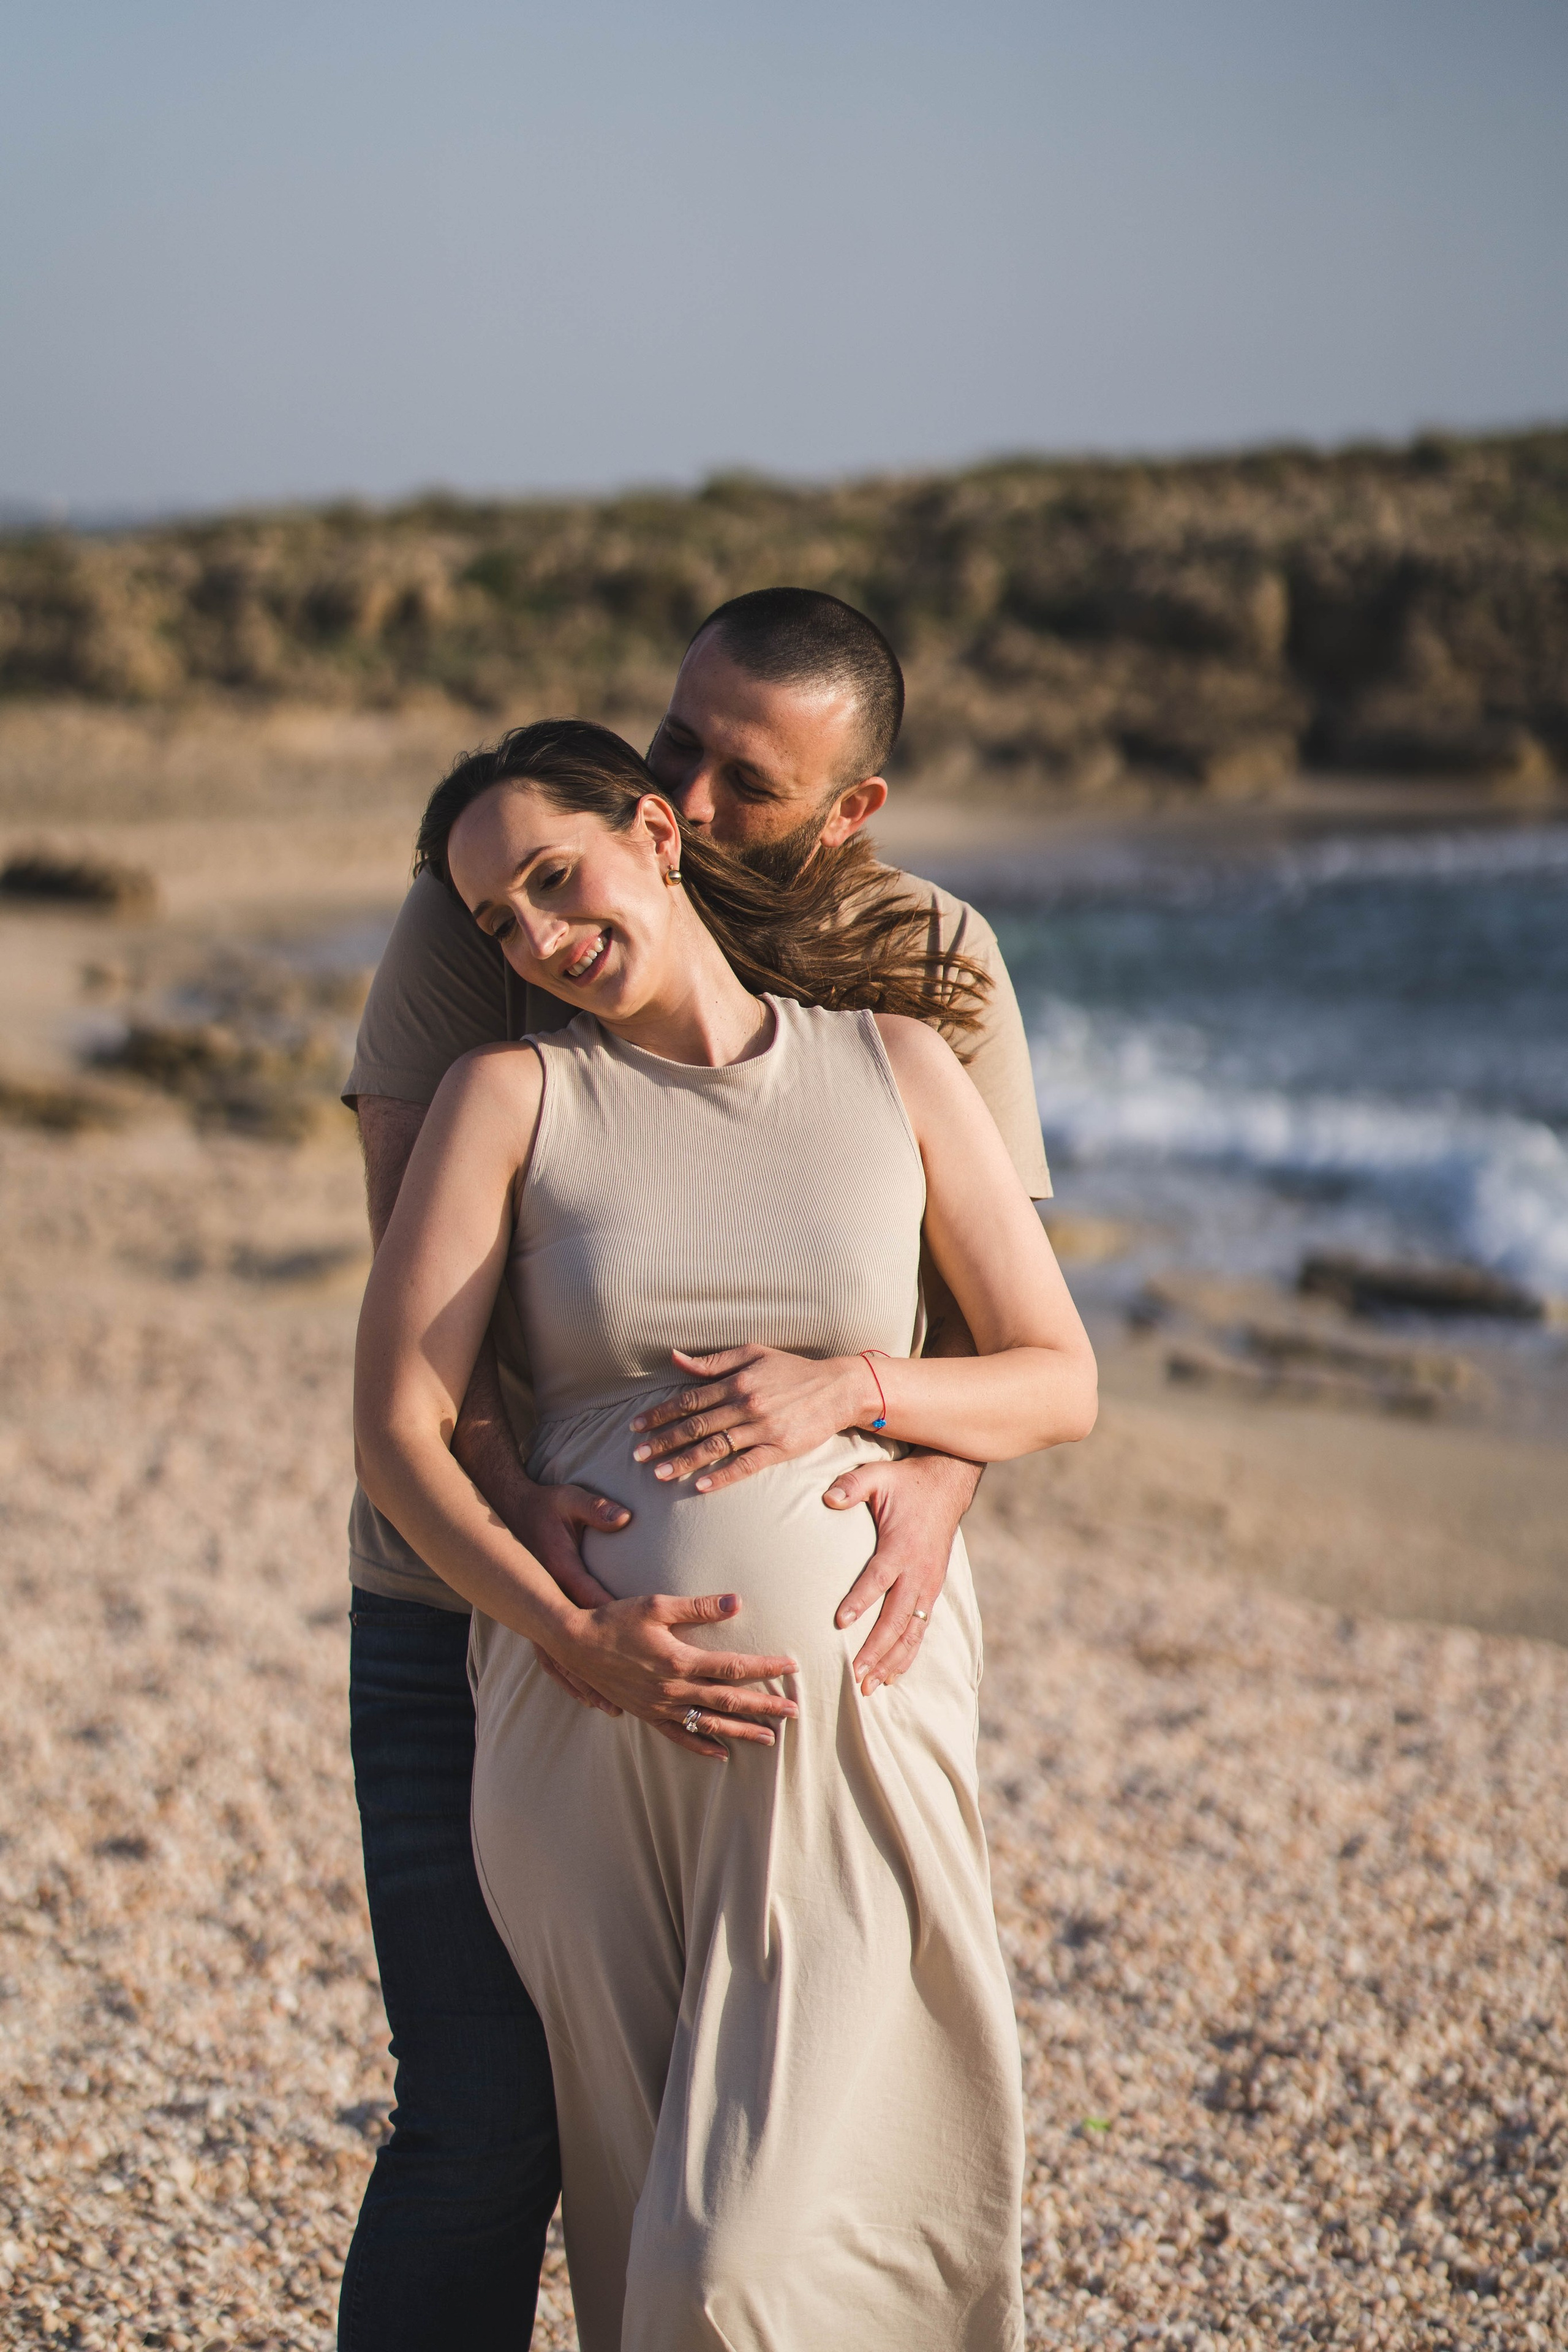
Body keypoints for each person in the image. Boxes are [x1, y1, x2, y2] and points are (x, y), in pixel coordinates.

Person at [337, 590, 1052, 2347]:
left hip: (831, 1695)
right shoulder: (491, 907)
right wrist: (547, 1578)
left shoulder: (924, 964)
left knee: (776, 2214)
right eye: (679, 747)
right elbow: (431, 1350)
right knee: (484, 2133)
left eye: (750, 779)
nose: (703, 800)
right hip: (486, 1630)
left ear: (849, 809)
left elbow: (1000, 1337)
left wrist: (922, 1473)